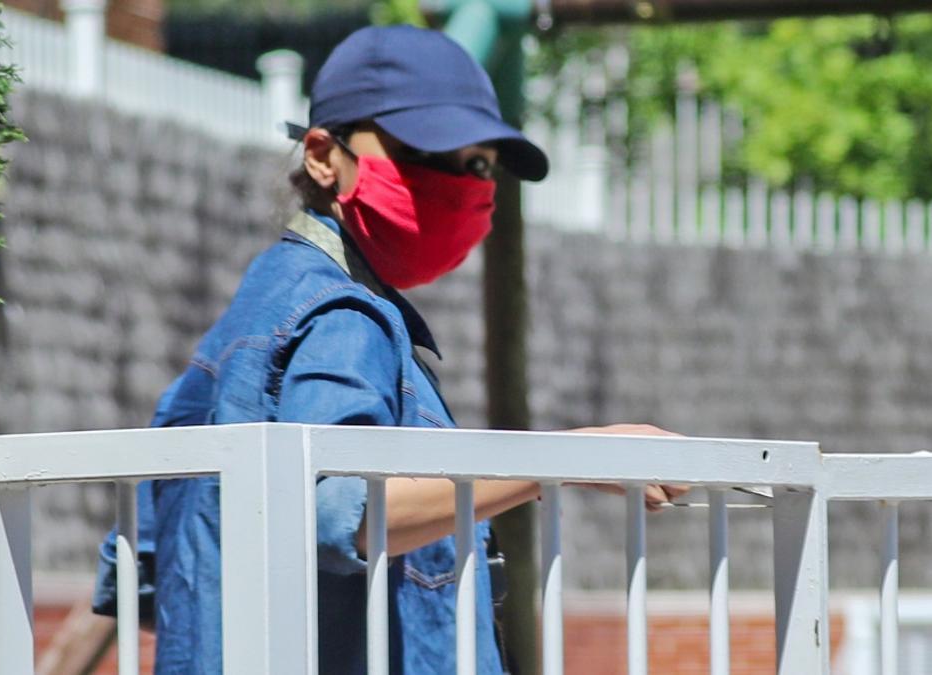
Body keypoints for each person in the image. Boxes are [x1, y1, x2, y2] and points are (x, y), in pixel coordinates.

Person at [93, 24, 685, 674]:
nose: (458, 183)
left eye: (478, 165)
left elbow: (146, 562)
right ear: (323, 154)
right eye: (423, 152)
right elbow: (347, 511)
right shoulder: (343, 316)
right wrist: (565, 457)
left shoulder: (256, 308)